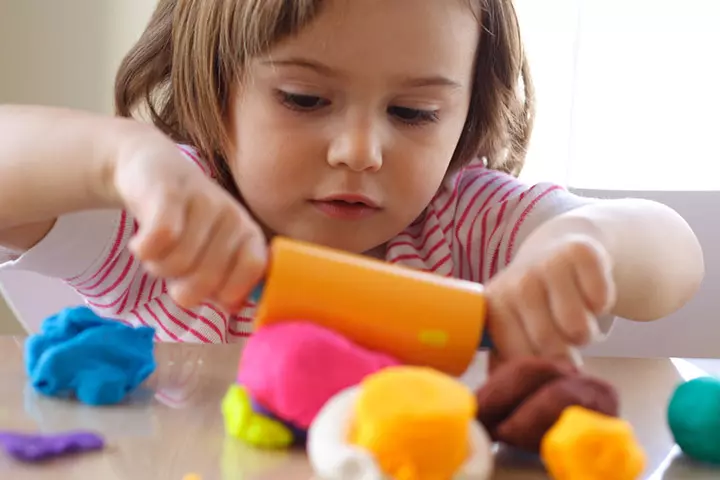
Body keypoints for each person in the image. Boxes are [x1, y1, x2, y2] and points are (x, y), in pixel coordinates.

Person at [0, 0, 703, 364]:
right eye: (305, 100)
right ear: (218, 93)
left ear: (464, 118)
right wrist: (119, 159)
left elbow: (675, 256)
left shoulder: (465, 223)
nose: (362, 149)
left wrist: (585, 244)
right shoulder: (171, 222)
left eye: (414, 112)